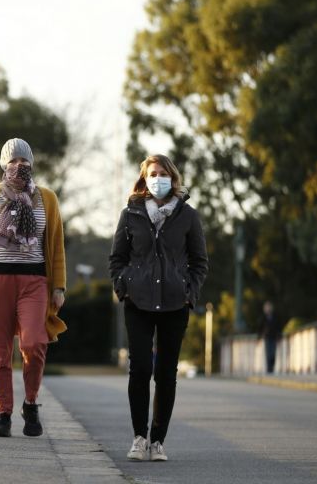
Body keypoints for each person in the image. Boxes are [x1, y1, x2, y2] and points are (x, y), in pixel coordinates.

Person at [0, 138, 67, 437]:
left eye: (24, 161)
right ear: (4, 165)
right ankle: (3, 413)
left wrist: (59, 286)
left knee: (34, 343)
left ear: (32, 164)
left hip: (35, 282)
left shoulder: (47, 198)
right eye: (13, 161)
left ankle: (30, 402)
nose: (19, 165)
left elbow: (56, 246)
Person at [109, 154, 208, 461]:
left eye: (163, 173)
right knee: (140, 369)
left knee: (166, 373)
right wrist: (123, 285)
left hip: (175, 303)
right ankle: (139, 438)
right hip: (137, 302)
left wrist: (189, 291)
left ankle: (158, 441)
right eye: (152, 173)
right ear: (144, 178)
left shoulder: (188, 215)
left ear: (173, 178)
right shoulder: (131, 214)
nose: (158, 178)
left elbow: (199, 262)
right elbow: (117, 258)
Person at [259, 300, 280, 373]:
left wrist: (278, 336)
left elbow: (278, 327)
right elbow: (260, 327)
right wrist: (260, 336)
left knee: (273, 353)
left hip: (273, 337)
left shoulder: (275, 317)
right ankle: (269, 369)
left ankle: (272, 367)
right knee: (268, 353)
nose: (268, 309)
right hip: (267, 337)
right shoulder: (263, 318)